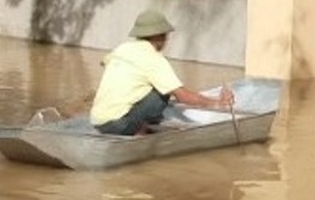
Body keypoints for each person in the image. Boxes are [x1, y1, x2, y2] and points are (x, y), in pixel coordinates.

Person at [90, 9, 235, 136]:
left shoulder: (122, 49)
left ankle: (139, 126)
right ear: (158, 36)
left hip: (97, 121)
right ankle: (138, 130)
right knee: (162, 94)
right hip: (118, 125)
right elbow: (183, 97)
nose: (166, 40)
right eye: (165, 36)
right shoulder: (154, 58)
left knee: (151, 87)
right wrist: (218, 103)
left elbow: (104, 62)